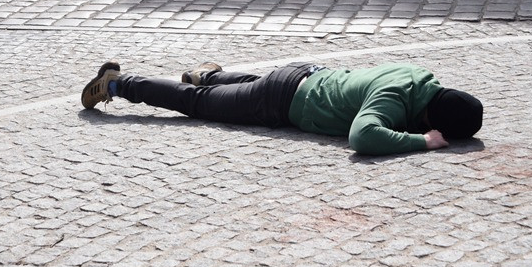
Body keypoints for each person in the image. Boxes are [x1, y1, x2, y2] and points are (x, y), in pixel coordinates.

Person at [80, 60, 483, 157]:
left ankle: (208, 74)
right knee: (196, 106)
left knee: (236, 87)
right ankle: (118, 82)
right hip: (280, 101)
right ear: (434, 119)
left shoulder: (418, 76)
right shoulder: (393, 101)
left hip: (300, 75)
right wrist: (421, 141)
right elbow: (363, 136)